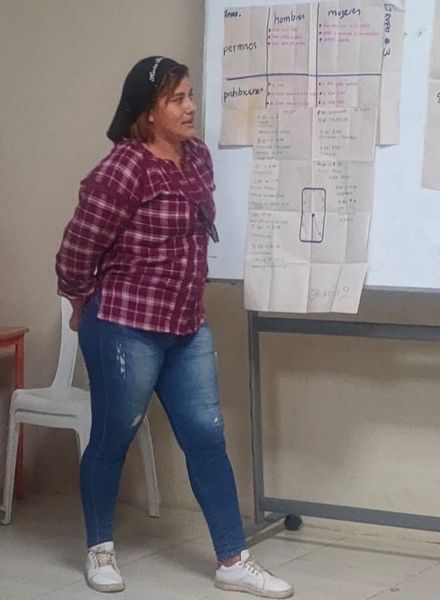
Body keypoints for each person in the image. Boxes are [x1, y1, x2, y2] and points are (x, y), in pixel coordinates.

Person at [55, 56, 294, 598]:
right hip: (125, 325)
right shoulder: (122, 170)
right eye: (177, 99)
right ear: (147, 112)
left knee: (207, 438)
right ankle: (99, 550)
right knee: (112, 438)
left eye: (190, 95)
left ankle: (233, 559)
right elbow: (75, 252)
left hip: (186, 324)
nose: (191, 107)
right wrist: (79, 300)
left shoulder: (197, 158)